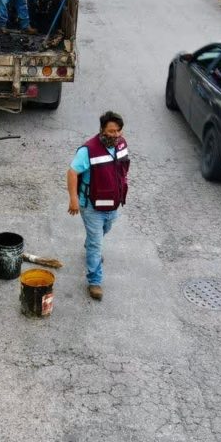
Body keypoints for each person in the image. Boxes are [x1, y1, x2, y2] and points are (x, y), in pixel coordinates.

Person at [66, 111, 130, 301]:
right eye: (111, 131)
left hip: (112, 205)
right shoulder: (88, 150)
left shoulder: (121, 144)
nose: (116, 135)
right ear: (102, 130)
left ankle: (91, 245)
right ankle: (95, 281)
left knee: (103, 231)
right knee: (96, 245)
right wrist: (73, 199)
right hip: (92, 206)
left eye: (118, 131)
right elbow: (72, 172)